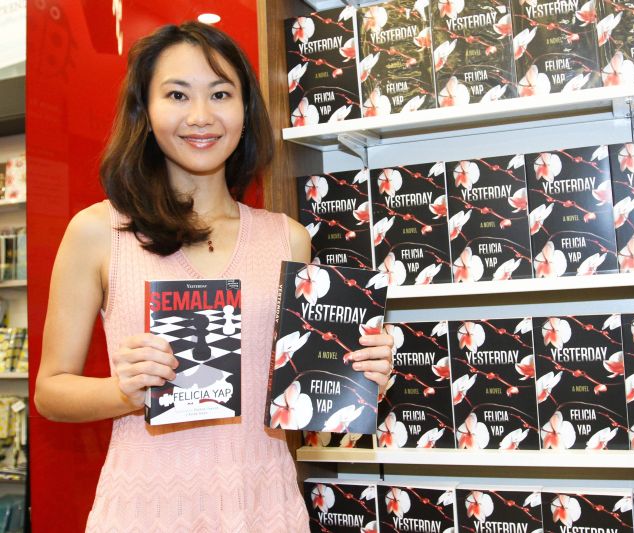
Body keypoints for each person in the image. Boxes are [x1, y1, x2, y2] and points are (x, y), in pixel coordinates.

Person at [34, 22, 393, 531]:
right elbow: (50, 392)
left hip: (263, 505)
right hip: (146, 510)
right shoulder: (99, 231)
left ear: (245, 111)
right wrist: (124, 392)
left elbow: (299, 394)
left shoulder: (287, 239)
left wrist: (358, 373)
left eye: (220, 94)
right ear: (146, 110)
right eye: (177, 94)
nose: (200, 116)